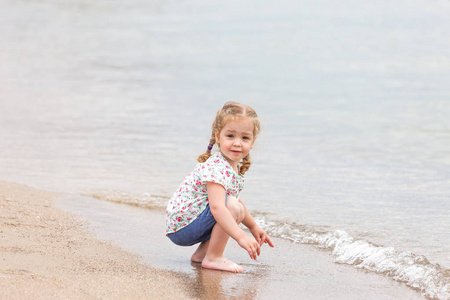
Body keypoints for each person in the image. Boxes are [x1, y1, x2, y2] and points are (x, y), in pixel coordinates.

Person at [166, 101, 274, 273]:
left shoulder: (231, 165)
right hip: (184, 226)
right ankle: (214, 257)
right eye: (230, 136)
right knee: (231, 206)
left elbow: (234, 199)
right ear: (218, 137)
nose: (237, 143)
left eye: (245, 138)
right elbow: (217, 207)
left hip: (188, 224)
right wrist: (241, 237)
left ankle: (203, 254)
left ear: (253, 142)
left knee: (234, 204)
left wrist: (253, 227)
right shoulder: (217, 166)